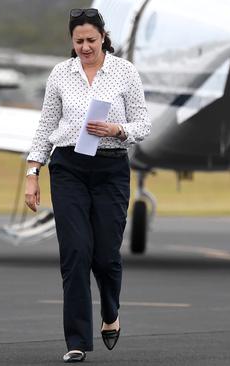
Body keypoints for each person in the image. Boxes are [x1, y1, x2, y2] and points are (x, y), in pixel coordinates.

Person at [24, 7, 151, 363]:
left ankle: (111, 313)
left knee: (106, 256)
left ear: (103, 37)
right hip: (69, 168)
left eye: (90, 40)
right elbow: (46, 126)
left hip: (110, 168)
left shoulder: (125, 72)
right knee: (76, 254)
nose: (84, 47)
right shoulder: (60, 75)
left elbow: (143, 123)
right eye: (78, 41)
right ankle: (77, 341)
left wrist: (118, 130)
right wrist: (33, 174)